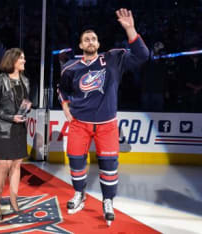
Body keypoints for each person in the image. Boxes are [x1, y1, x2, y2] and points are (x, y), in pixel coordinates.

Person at [58, 9, 149, 226]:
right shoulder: (70, 67)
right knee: (76, 162)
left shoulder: (114, 58)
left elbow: (143, 56)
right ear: (80, 45)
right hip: (79, 123)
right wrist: (65, 105)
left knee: (109, 165)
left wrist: (130, 29)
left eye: (94, 39)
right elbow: (61, 89)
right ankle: (79, 194)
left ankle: (108, 200)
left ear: (98, 44)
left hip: (107, 125)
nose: (90, 41)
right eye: (86, 39)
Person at [0, 48, 31, 220]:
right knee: (4, 166)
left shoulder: (25, 80)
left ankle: (13, 201)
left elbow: (25, 101)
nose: (24, 61)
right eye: (22, 58)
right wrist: (10, 117)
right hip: (3, 128)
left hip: (19, 128)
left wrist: (26, 108)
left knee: (16, 166)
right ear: (12, 61)